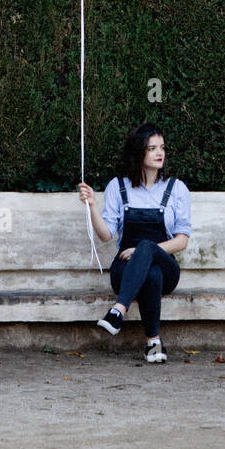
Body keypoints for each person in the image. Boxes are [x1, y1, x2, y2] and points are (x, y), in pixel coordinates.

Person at [78, 123, 191, 363]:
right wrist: (92, 207)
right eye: (152, 148)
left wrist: (144, 250)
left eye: (162, 147)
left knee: (148, 249)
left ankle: (118, 310)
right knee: (151, 275)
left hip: (167, 266)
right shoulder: (118, 187)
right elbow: (106, 235)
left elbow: (181, 241)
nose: (159, 153)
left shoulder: (176, 188)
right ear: (138, 152)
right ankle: (153, 343)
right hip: (126, 270)